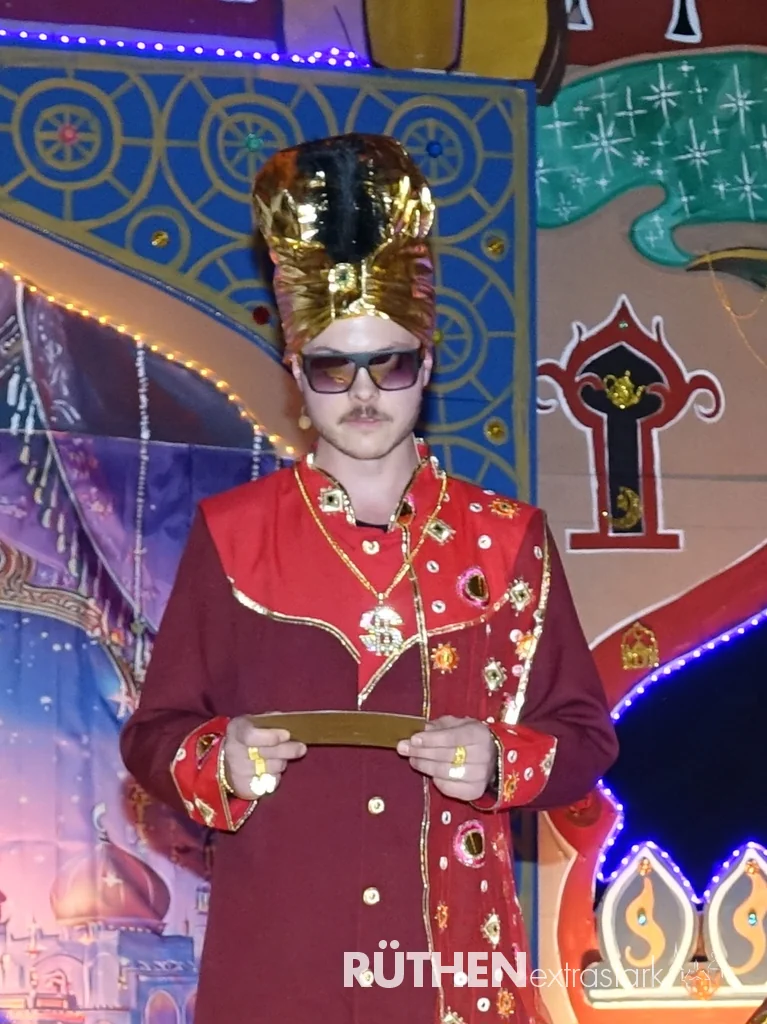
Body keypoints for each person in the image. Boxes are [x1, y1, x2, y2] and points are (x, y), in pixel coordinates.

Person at [119, 133, 618, 1024]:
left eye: (389, 363)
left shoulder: (505, 538)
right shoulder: (232, 533)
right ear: (294, 372)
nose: (362, 393)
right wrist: (217, 758)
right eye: (330, 366)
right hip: (281, 963)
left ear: (426, 365)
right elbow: (155, 734)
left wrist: (499, 759)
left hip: (448, 967)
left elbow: (582, 737)